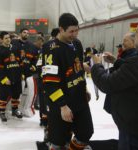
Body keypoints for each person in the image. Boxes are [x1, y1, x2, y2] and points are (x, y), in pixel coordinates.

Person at [91, 18, 138, 150]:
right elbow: (136, 74)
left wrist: (97, 66)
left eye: (137, 34)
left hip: (136, 130)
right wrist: (117, 61)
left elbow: (107, 84)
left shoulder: (137, 63)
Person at [42, 13, 94, 150]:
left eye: (77, 30)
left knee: (86, 132)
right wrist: (63, 106)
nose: (75, 34)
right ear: (61, 29)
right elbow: (50, 82)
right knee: (58, 141)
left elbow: (77, 68)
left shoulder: (77, 43)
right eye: (71, 31)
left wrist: (85, 88)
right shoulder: (50, 48)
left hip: (79, 98)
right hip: (61, 102)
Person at [103, 32, 137, 114]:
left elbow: (126, 68)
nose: (123, 43)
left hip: (123, 98)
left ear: (134, 42)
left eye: (125, 40)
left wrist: (114, 61)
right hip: (118, 97)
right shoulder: (126, 54)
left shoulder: (135, 55)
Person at [12, 28, 37, 117]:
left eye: (27, 33)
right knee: (17, 92)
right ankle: (14, 109)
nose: (26, 34)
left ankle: (26, 108)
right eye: (24, 32)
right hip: (16, 72)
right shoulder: (13, 43)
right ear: (20, 33)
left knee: (31, 92)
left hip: (28, 72)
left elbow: (35, 59)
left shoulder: (31, 45)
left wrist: (33, 66)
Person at [0, 31, 23, 122]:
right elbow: (0, 69)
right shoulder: (0, 51)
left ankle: (15, 110)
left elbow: (19, 63)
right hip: (5, 78)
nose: (8, 39)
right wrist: (4, 79)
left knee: (16, 94)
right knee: (3, 96)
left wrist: (21, 74)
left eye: (9, 38)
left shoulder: (15, 49)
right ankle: (2, 112)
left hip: (15, 77)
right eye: (6, 38)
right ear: (1, 39)